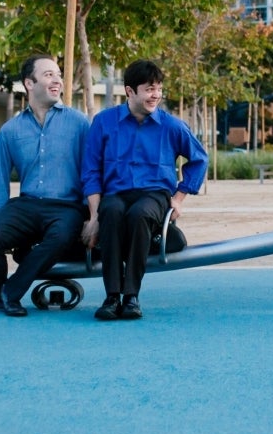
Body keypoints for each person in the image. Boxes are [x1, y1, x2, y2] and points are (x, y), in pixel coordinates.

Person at [0, 55, 89, 317]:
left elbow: (93, 171)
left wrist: (91, 214)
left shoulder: (79, 123)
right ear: (30, 83)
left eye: (59, 74)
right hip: (26, 205)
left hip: (67, 207)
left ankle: (9, 291)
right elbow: (0, 179)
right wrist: (0, 218)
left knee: (59, 238)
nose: (58, 80)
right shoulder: (10, 130)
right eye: (49, 74)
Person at [81, 59, 208, 320]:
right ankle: (111, 296)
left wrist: (180, 197)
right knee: (112, 212)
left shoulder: (172, 126)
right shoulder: (104, 122)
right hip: (116, 193)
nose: (156, 95)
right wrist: (94, 217)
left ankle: (131, 297)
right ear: (130, 91)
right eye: (149, 89)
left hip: (154, 194)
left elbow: (199, 159)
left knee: (139, 214)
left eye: (159, 88)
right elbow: (91, 170)